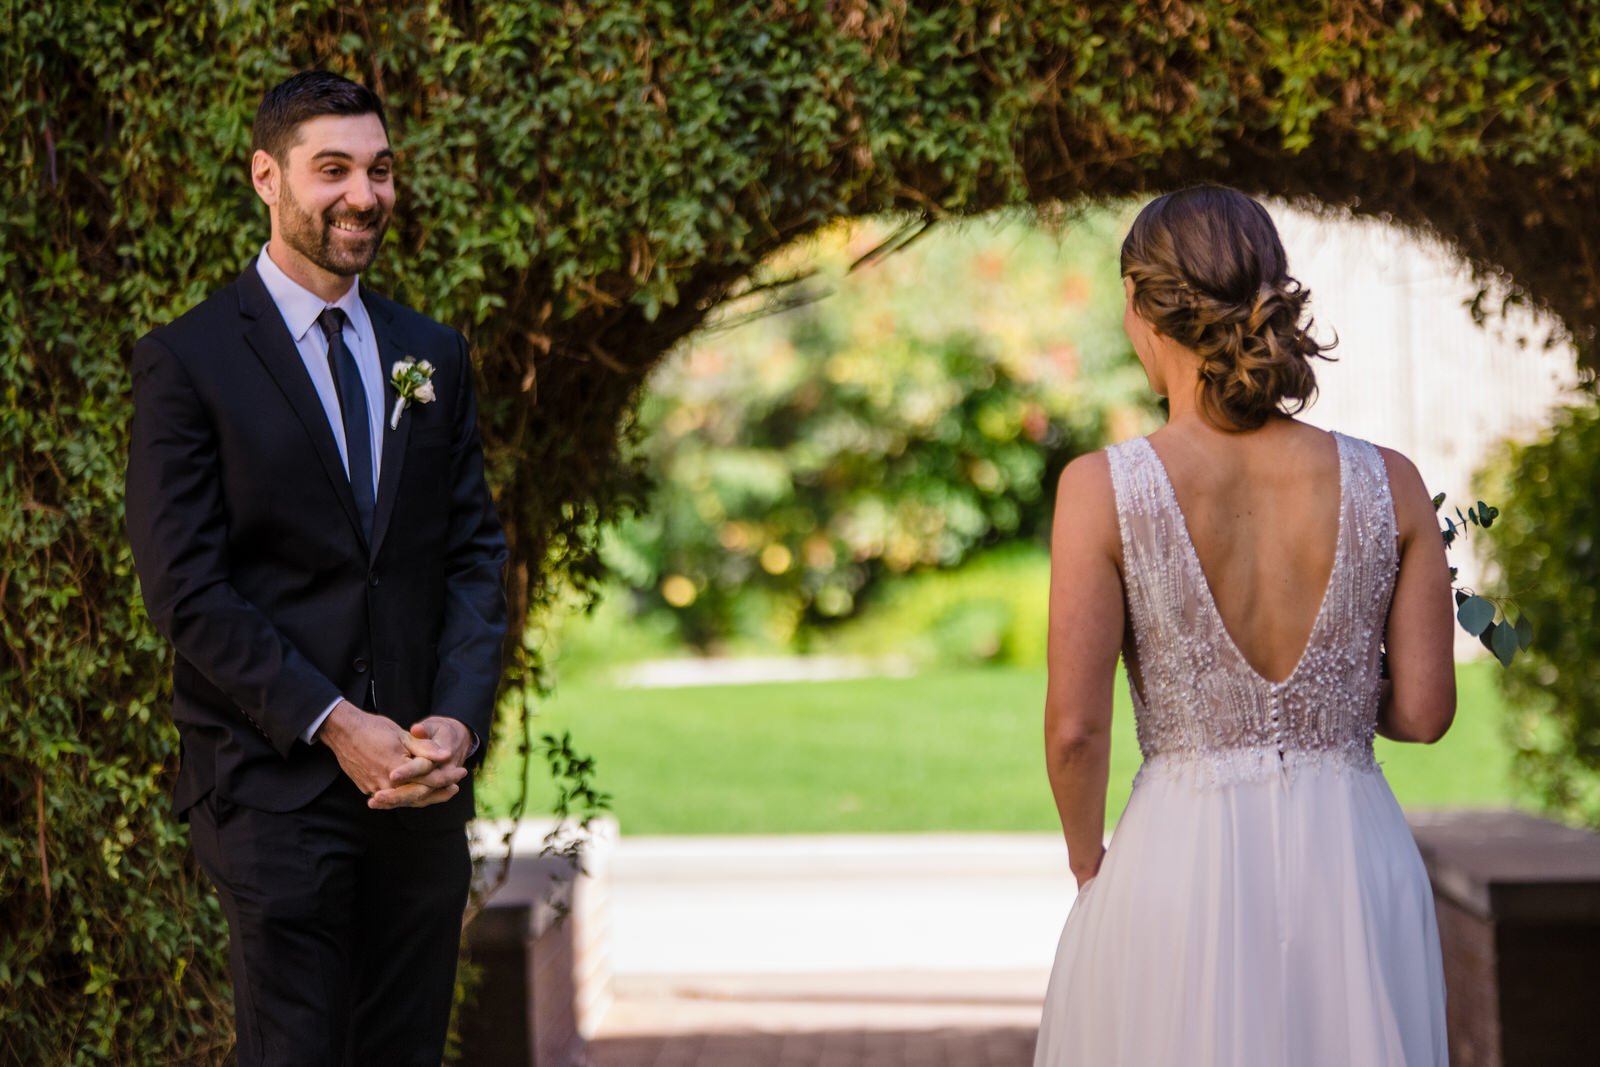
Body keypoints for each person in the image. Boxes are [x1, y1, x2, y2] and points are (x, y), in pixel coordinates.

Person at [124, 70, 508, 1066]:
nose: (364, 194)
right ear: (267, 176)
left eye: (378, 170)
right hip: (275, 791)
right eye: (332, 168)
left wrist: (455, 724)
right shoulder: (191, 360)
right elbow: (188, 590)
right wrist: (340, 726)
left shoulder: (432, 354)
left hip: (419, 795)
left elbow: (471, 553)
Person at [1034, 186, 1454, 1066]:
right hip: (1352, 860)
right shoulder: (1395, 482)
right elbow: (1423, 713)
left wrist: (1087, 865)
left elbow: (1077, 729)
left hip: (1180, 866)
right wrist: (1327, 697)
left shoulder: (1100, 490)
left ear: (1149, 311)